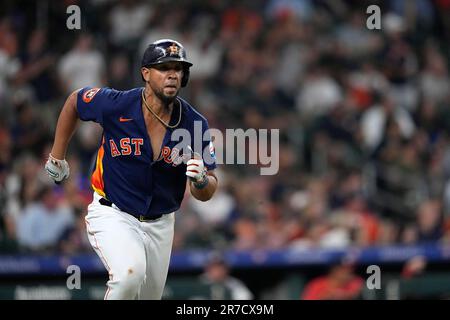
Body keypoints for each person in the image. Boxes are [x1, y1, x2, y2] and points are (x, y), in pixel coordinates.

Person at [44, 39, 218, 299]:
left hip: (160, 224)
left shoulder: (195, 124)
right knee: (129, 275)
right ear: (146, 73)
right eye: (164, 67)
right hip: (114, 212)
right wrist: (57, 156)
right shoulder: (117, 104)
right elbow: (75, 102)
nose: (172, 74)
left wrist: (202, 180)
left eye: (178, 68)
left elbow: (207, 190)